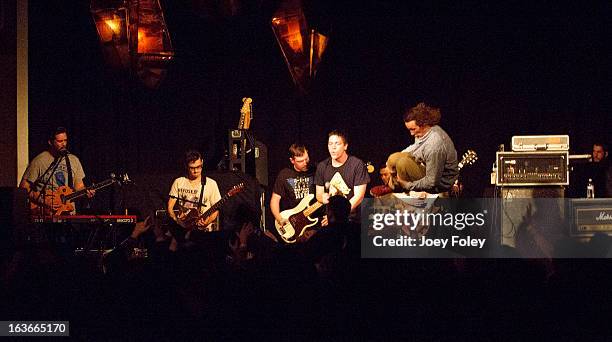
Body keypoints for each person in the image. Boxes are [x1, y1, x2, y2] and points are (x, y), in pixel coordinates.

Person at [19, 126, 94, 215]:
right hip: (46, 214)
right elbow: (24, 187)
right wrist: (43, 201)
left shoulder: (73, 160)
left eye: (65, 140)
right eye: (60, 141)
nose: (64, 144)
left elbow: (79, 187)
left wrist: (86, 192)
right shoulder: (39, 160)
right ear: (50, 142)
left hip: (68, 214)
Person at [387, 102, 458, 195]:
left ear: (423, 124)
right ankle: (393, 184)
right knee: (392, 159)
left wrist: (408, 185)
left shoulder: (435, 146)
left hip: (440, 183)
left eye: (413, 129)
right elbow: (417, 147)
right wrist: (391, 164)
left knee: (402, 163)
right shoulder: (424, 131)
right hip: (426, 165)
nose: (411, 134)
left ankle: (400, 188)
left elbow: (431, 182)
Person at [315, 130, 370, 223]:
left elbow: (359, 196)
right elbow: (319, 194)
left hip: (352, 220)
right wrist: (322, 197)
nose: (333, 147)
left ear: (345, 146)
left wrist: (338, 216)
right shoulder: (322, 166)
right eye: (330, 144)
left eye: (337, 144)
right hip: (331, 220)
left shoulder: (356, 164)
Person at [167, 150, 221, 232]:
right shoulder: (178, 182)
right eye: (192, 168)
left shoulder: (211, 184)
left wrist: (207, 222)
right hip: (183, 229)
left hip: (203, 231)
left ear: (202, 162)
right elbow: (170, 206)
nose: (196, 171)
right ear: (186, 166)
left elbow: (216, 210)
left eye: (198, 166)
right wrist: (176, 221)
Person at [270, 144, 316, 229]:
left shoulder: (316, 171)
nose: (305, 163)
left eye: (306, 158)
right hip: (292, 222)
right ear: (292, 160)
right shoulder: (284, 174)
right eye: (300, 161)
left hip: (313, 221)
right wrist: (279, 219)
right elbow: (275, 199)